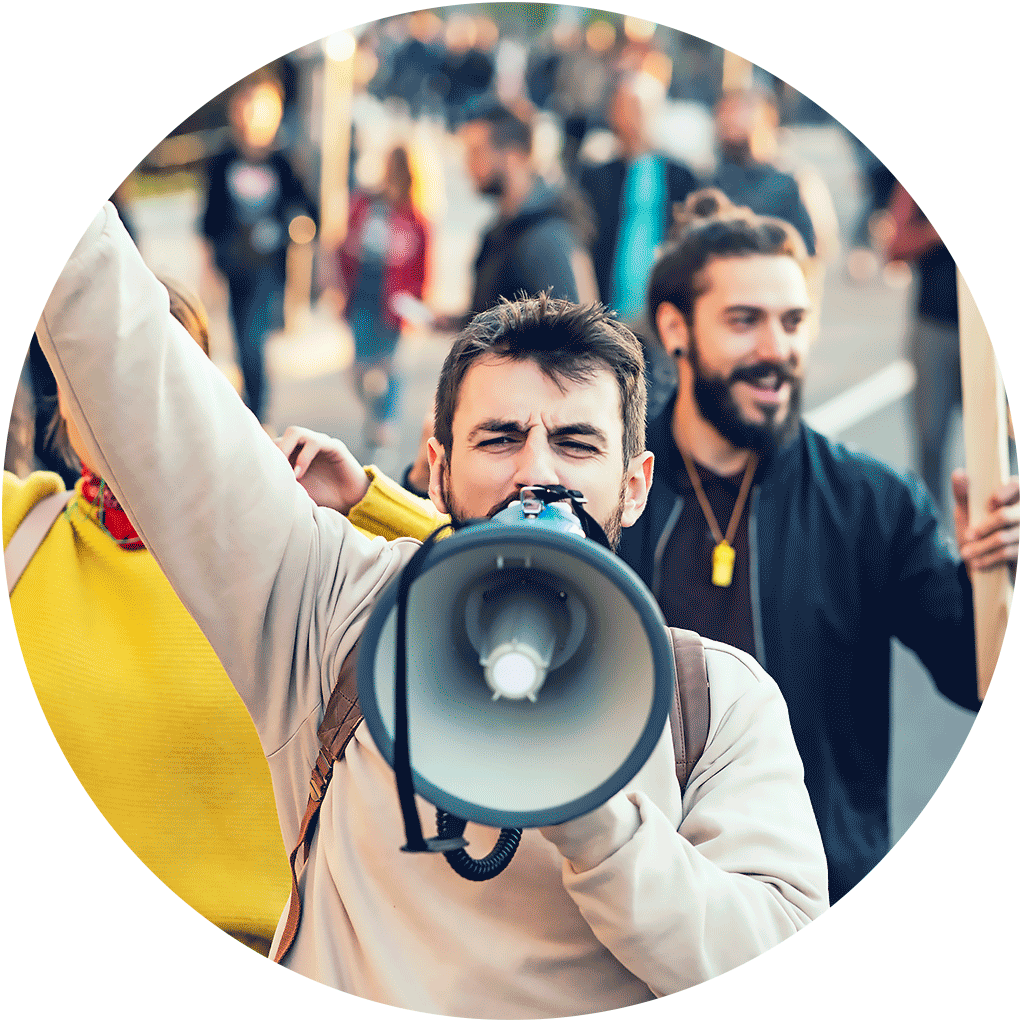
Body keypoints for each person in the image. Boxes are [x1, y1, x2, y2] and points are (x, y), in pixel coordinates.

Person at [37, 202, 827, 1017]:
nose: (536, 474)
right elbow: (136, 364)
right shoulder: (334, 609)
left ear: (635, 484)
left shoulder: (715, 700)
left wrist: (600, 825)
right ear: (437, 467)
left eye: (578, 444)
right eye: (499, 439)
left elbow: (775, 958)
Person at [5, 277, 442, 958]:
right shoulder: (22, 529)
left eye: (162, 373)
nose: (126, 399)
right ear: (61, 394)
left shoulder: (284, 552)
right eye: (94, 370)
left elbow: (481, 600)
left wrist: (362, 500)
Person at [622, 189, 1019, 903]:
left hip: (818, 896)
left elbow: (975, 677)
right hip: (636, 893)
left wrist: (997, 580)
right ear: (675, 328)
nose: (777, 350)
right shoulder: (607, 491)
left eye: (793, 321)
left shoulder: (874, 502)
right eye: (745, 321)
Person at [200, 68, 317, 425]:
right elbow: (209, 219)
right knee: (241, 340)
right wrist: (207, 266)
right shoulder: (222, 160)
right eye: (246, 108)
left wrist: (293, 229)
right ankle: (253, 405)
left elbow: (310, 211)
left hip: (270, 268)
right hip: (235, 267)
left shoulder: (284, 160)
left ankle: (256, 411)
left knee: (254, 339)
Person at [455, 100, 597, 323]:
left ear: (513, 156)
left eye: (477, 152)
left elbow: (574, 331)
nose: (468, 164)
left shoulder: (547, 236)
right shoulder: (502, 230)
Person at [334, 144, 430, 453]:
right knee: (359, 369)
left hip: (395, 305)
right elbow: (343, 246)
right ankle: (376, 410)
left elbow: (423, 268)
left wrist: (417, 305)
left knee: (391, 367)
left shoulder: (417, 218)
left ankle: (385, 422)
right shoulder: (365, 203)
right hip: (362, 296)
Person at [882, 181, 962, 508]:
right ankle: (933, 536)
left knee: (1001, 443)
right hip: (934, 326)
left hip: (988, 340)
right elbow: (895, 244)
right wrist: (934, 233)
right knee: (930, 441)